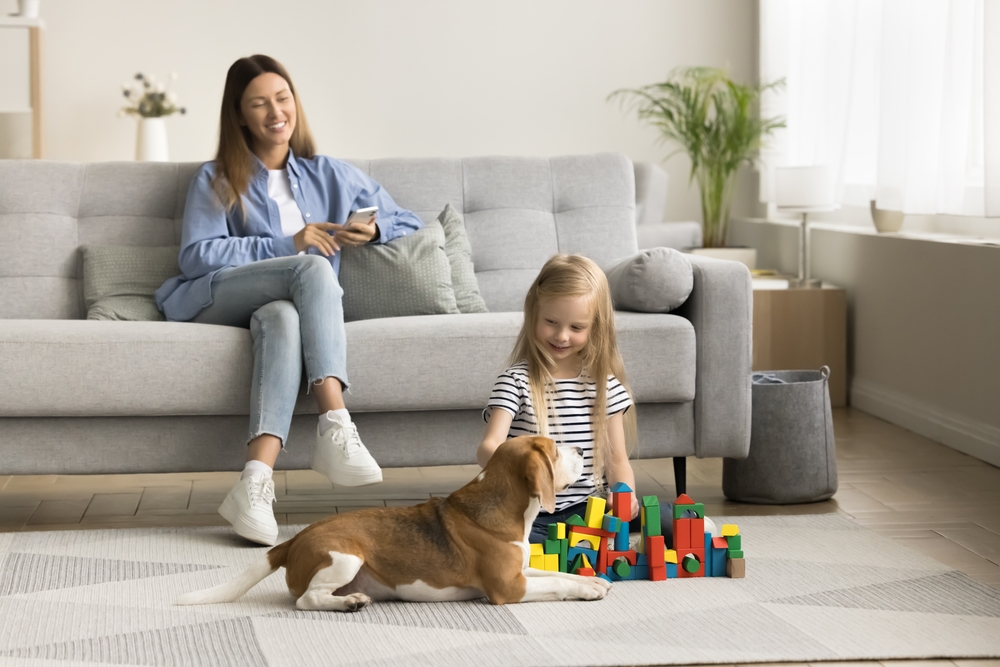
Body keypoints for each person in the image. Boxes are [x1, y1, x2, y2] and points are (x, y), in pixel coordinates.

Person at [154, 55, 423, 546]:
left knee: (282, 317)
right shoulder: (216, 178)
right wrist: (290, 243)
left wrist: (374, 229)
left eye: (283, 98)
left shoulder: (331, 174)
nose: (276, 112)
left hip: (280, 309)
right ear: (239, 116)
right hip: (219, 297)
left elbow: (408, 219)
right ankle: (335, 422)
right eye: (259, 103)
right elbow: (197, 256)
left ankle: (254, 483)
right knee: (312, 265)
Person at [477, 254, 642, 543]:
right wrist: (524, 469)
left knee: (664, 519)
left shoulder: (605, 386)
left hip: (589, 509)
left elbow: (617, 461)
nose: (562, 336)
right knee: (506, 540)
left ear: (596, 327)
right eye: (551, 322)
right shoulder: (515, 381)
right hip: (531, 512)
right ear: (534, 314)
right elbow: (489, 446)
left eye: (576, 328)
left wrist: (625, 495)